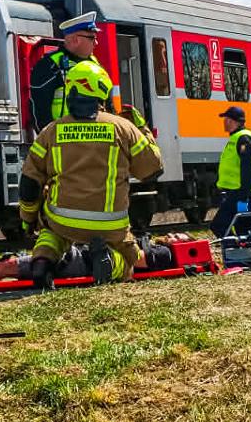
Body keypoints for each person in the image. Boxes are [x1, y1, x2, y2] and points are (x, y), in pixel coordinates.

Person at [18, 59, 163, 286]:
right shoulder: (123, 128)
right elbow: (152, 170)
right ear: (102, 91)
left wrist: (28, 219)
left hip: (62, 219)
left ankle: (42, 262)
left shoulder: (51, 131)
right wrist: (143, 128)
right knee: (129, 262)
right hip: (110, 225)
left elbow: (29, 183)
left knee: (50, 231)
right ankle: (109, 260)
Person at [28, 12, 146, 135]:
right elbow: (39, 109)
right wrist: (49, 140)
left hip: (97, 137)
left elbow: (107, 103)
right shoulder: (50, 65)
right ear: (75, 39)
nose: (96, 43)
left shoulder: (94, 63)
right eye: (92, 38)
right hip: (64, 141)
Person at [0, 233, 198, 284]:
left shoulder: (162, 254)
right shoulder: (153, 244)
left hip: (84, 262)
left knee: (10, 265)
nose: (175, 234)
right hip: (84, 257)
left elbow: (138, 261)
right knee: (10, 264)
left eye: (181, 237)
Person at [210, 105, 251, 239]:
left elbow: (249, 167)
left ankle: (235, 252)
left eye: (226, 119)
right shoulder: (236, 138)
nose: (224, 122)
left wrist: (243, 193)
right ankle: (247, 253)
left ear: (233, 121)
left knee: (219, 225)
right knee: (243, 225)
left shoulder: (244, 139)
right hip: (238, 193)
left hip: (241, 194)